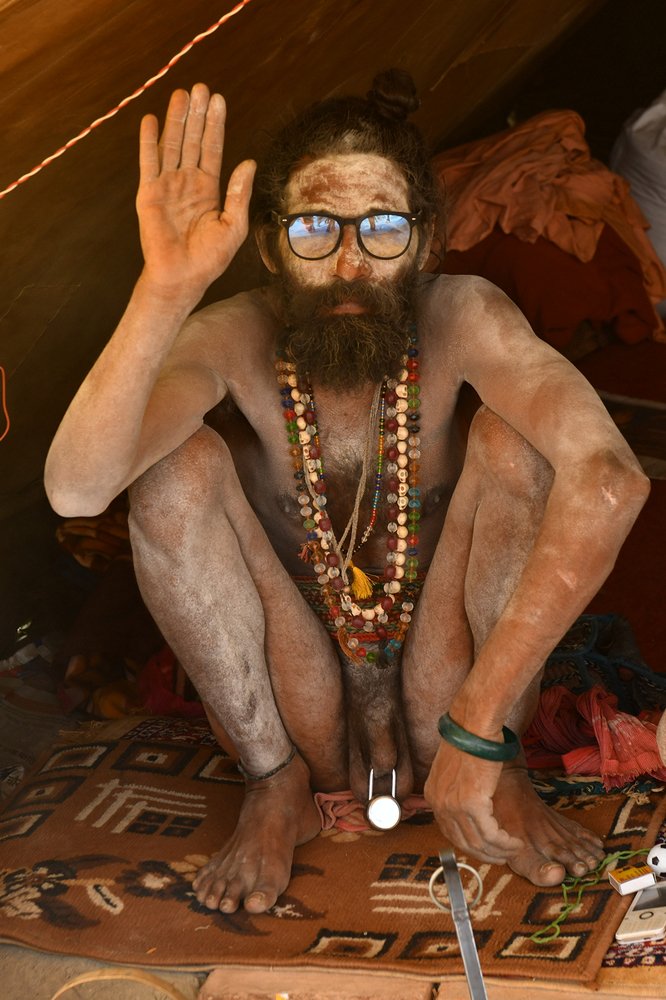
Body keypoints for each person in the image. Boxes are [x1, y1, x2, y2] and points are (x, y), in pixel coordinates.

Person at [44, 70, 650, 915]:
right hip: (298, 706)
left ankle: (501, 774)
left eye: (384, 228)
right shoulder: (229, 335)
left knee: (516, 447)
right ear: (270, 249)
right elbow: (77, 490)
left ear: (427, 244)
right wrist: (167, 290)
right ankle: (273, 788)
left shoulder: (465, 315)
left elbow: (611, 480)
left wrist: (480, 729)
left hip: (452, 690)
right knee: (173, 470)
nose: (350, 263)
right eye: (315, 229)